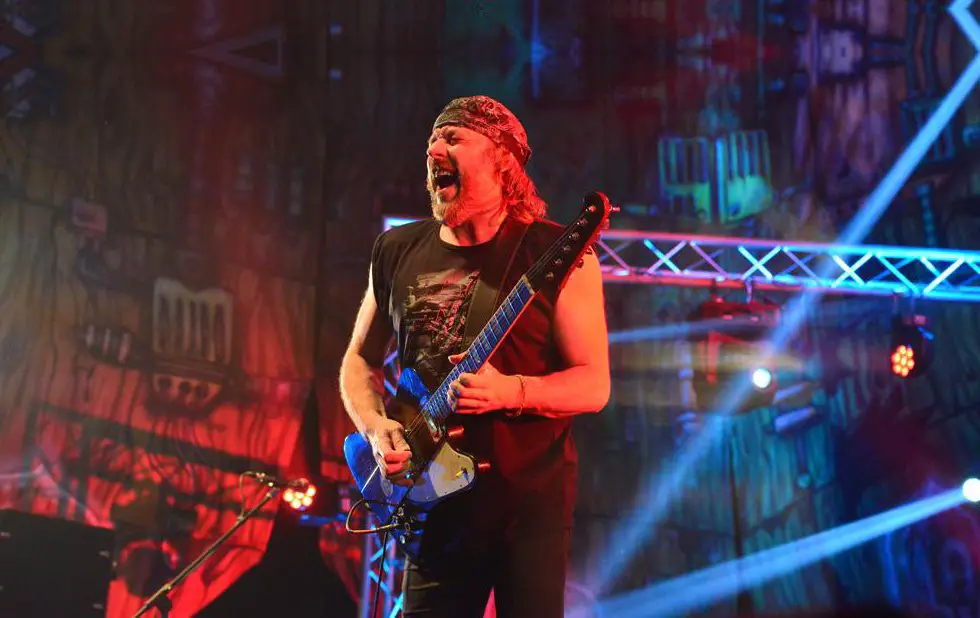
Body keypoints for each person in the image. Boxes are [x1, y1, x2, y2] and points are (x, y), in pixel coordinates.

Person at [339, 95, 611, 618]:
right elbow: (359, 359)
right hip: (435, 503)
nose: (433, 149)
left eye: (453, 138)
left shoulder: (557, 253)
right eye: (431, 140)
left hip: (527, 507)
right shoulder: (395, 250)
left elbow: (593, 384)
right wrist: (374, 427)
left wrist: (512, 391)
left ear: (502, 161)